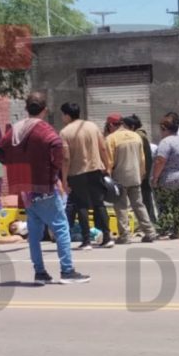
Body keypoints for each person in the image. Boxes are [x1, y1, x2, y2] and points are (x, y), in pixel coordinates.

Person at [0, 92, 89, 284]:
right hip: (44, 185)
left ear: (26, 108)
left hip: (25, 188)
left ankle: (40, 272)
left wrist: (15, 166)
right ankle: (67, 271)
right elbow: (57, 148)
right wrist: (53, 173)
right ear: (45, 109)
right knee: (61, 228)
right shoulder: (44, 129)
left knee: (34, 233)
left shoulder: (16, 129)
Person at [59, 103, 113, 250]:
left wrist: (63, 179)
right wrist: (107, 165)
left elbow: (66, 158)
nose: (62, 118)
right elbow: (103, 147)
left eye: (63, 115)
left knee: (81, 206)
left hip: (76, 173)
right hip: (95, 170)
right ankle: (107, 237)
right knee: (99, 204)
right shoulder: (92, 126)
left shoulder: (64, 133)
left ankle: (86, 240)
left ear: (68, 115)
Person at [106, 113, 158, 244]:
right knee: (139, 205)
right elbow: (142, 159)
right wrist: (141, 175)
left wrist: (107, 179)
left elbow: (109, 162)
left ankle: (125, 236)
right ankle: (150, 232)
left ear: (111, 125)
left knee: (121, 207)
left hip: (119, 178)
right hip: (135, 177)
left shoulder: (111, 139)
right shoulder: (135, 136)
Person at [151, 114, 179, 239]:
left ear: (164, 128)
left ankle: (164, 228)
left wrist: (155, 177)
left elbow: (160, 161)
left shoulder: (166, 142)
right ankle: (177, 230)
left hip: (167, 178)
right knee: (178, 204)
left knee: (163, 204)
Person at [126, 114, 158, 227]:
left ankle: (149, 222)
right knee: (145, 197)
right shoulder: (140, 134)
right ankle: (151, 220)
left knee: (144, 199)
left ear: (132, 126)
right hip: (144, 170)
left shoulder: (138, 135)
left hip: (143, 172)